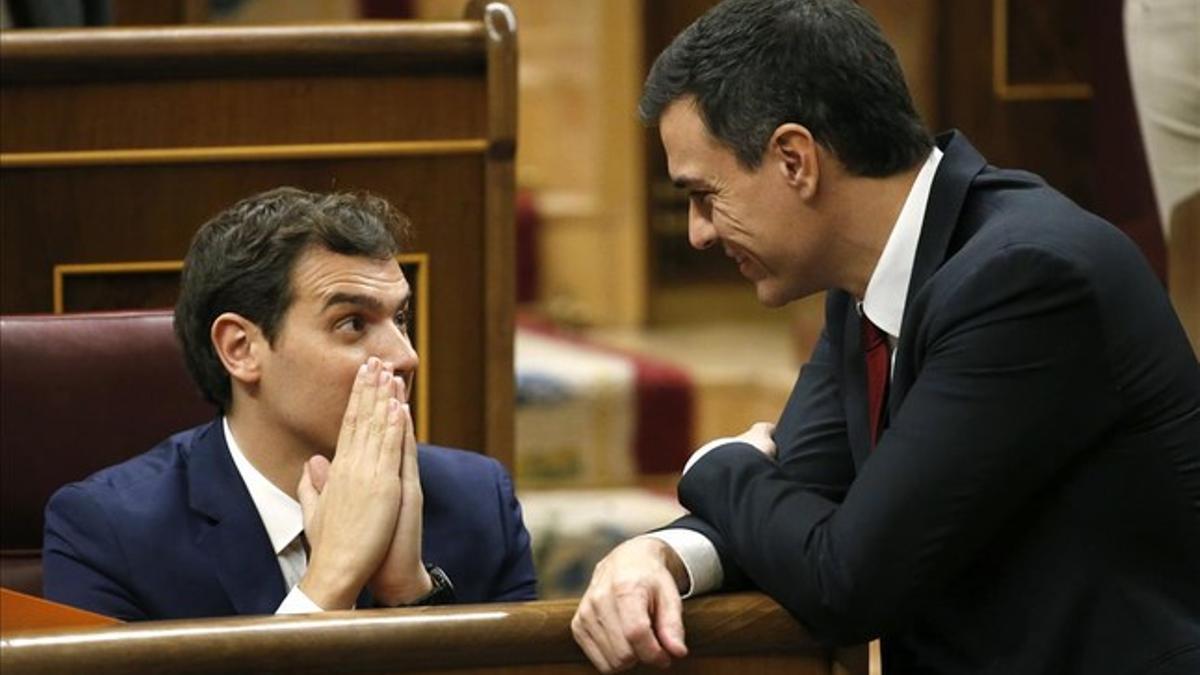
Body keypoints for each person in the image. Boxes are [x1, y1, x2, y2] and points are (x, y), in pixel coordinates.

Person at [570, 1, 1200, 673]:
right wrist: (660, 552)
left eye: (705, 196)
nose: (698, 231)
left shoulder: (1027, 278)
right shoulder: (864, 286)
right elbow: (791, 500)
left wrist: (712, 464)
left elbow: (847, 578)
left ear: (794, 160)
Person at [43, 187, 537, 620]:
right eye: (353, 324)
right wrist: (328, 584)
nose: (406, 357)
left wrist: (410, 595)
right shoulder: (108, 533)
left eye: (401, 318)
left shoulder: (478, 503)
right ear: (241, 349)